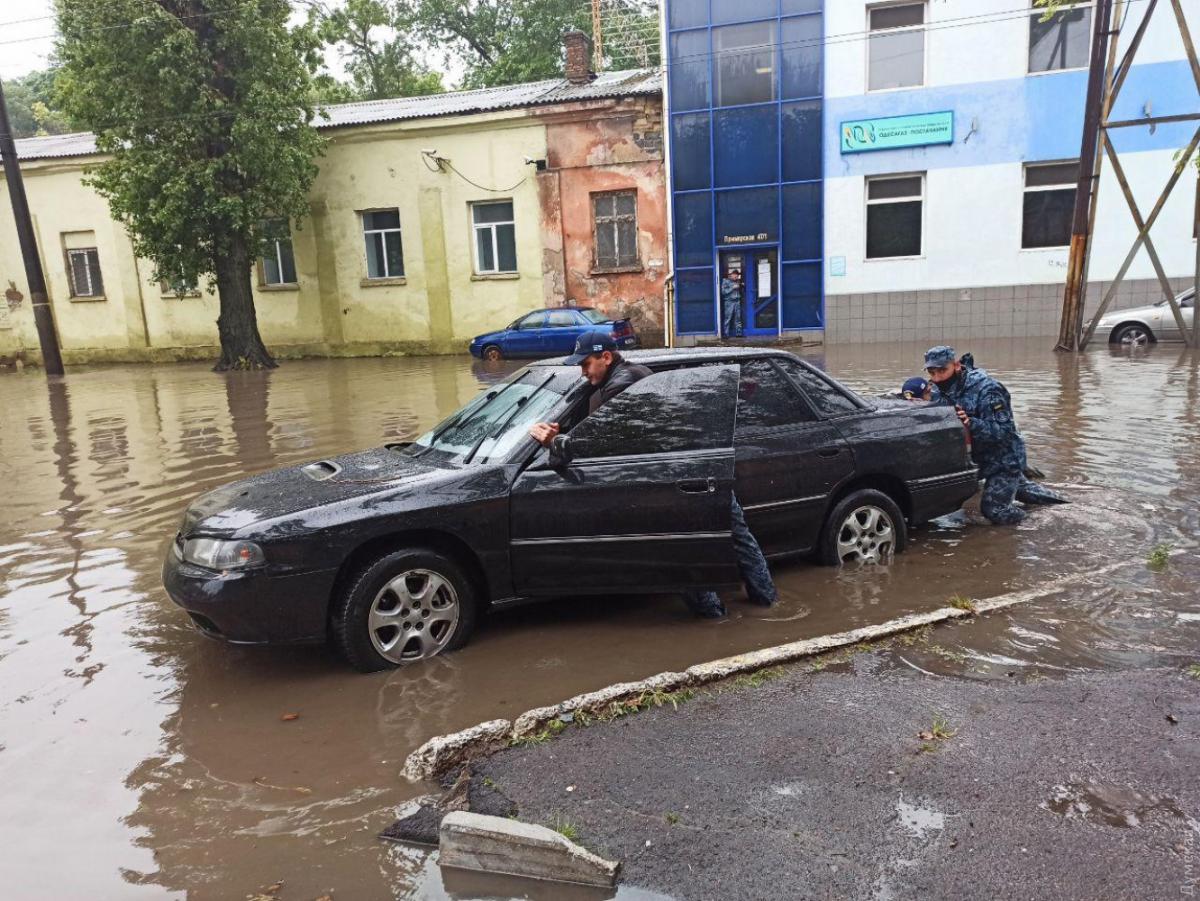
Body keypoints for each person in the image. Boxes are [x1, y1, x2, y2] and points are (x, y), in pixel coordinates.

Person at [528, 330, 776, 618]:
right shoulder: (633, 374)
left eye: (586, 364)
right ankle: (767, 603)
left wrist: (554, 442)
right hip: (696, 469)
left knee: (680, 555)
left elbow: (601, 443)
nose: (583, 372)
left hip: (671, 482)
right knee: (736, 537)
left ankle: (715, 621)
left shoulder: (623, 385)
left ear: (606, 357)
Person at [923, 345, 1066, 525]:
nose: (937, 377)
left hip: (1003, 459)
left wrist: (970, 423)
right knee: (1026, 492)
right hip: (977, 460)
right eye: (931, 372)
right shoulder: (936, 390)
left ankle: (1042, 524)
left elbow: (1004, 432)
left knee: (996, 510)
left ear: (956, 366)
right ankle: (1065, 504)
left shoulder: (988, 389)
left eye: (942, 370)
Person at [720, 268, 744, 339]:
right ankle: (726, 334)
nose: (736, 277)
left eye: (737, 276)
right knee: (728, 318)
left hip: (737, 301)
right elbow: (723, 292)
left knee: (738, 318)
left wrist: (742, 286)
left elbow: (741, 290)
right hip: (729, 302)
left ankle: (738, 334)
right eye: (735, 276)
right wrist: (732, 288)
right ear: (731, 275)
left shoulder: (737, 281)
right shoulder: (725, 281)